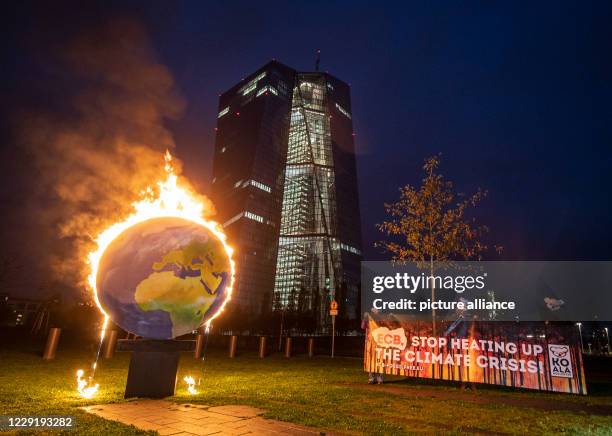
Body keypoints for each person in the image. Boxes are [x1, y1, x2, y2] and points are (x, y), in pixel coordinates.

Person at [362, 311, 384, 384]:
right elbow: (362, 326)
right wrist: (365, 319)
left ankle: (379, 378)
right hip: (370, 342)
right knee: (371, 360)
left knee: (379, 360)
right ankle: (371, 378)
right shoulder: (368, 319)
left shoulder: (381, 319)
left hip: (379, 342)